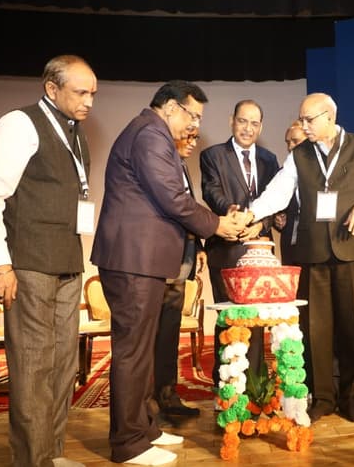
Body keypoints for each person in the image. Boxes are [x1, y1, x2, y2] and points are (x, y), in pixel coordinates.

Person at [91, 81, 244, 465]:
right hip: (133, 260)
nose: (195, 125)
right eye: (193, 116)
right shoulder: (150, 135)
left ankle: (145, 428)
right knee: (133, 353)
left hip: (142, 261)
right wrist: (218, 224)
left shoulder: (151, 133)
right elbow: (173, 199)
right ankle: (128, 443)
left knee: (144, 352)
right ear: (172, 107)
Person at [0, 54, 97, 467]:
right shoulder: (20, 123)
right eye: (81, 92)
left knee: (62, 367)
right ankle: (32, 460)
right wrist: (0, 264)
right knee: (32, 367)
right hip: (29, 264)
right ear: (51, 88)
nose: (89, 101)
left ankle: (51, 454)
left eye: (93, 93)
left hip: (67, 262)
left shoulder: (74, 130)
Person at [245, 92, 354, 423]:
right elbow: (278, 192)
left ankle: (349, 397)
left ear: (329, 117)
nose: (303, 125)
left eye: (309, 119)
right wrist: (251, 214)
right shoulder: (299, 155)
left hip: (351, 250)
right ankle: (322, 397)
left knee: (351, 326)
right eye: (302, 119)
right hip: (313, 252)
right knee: (316, 329)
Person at [200, 100, 280, 389]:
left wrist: (259, 224)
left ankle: (256, 383)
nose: (248, 128)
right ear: (231, 121)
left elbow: (276, 200)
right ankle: (227, 386)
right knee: (229, 319)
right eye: (243, 121)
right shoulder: (212, 155)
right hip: (227, 247)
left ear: (261, 127)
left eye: (254, 123)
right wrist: (233, 214)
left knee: (257, 321)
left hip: (260, 250)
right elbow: (212, 192)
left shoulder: (270, 160)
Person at [152, 127, 207, 420]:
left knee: (169, 334)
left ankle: (167, 395)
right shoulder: (162, 165)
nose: (193, 143)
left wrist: (198, 246)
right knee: (153, 336)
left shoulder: (182, 166)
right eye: (188, 136)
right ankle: (150, 401)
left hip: (181, 262)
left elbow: (188, 212)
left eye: (196, 138)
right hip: (159, 262)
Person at [276, 120, 307, 266]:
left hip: (315, 247)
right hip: (290, 247)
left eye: (295, 141)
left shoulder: (324, 173)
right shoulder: (282, 174)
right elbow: (277, 208)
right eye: (288, 142)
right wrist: (277, 219)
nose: (290, 147)